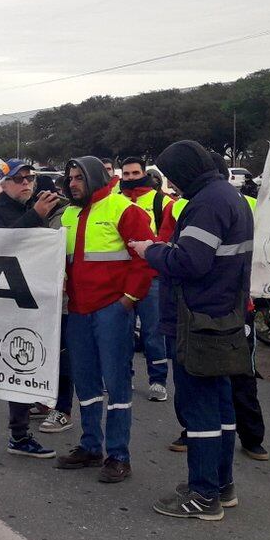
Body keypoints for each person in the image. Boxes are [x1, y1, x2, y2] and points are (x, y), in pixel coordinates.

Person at [129, 140, 254, 521]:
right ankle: (221, 484)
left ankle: (203, 496)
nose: (171, 184)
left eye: (171, 175)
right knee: (221, 406)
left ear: (183, 170)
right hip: (224, 316)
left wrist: (150, 250)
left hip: (197, 319)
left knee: (199, 410)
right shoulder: (227, 197)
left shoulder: (205, 204)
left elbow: (191, 261)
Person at [56, 156, 154, 483]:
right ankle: (90, 445)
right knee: (85, 383)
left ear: (95, 177)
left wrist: (128, 300)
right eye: (70, 178)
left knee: (116, 383)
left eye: (79, 178)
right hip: (78, 312)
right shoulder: (68, 214)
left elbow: (145, 259)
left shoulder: (124, 210)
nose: (72, 184)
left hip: (112, 310)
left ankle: (118, 455)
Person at [0, 160, 61, 466]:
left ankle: (19, 435)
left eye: (30, 178)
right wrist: (36, 216)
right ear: (4, 184)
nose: (26, 183)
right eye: (19, 179)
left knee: (22, 367)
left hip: (27, 300)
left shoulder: (33, 207)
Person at [120, 156, 172, 402]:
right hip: (123, 277)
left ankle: (158, 380)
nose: (130, 178)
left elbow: (168, 237)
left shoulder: (161, 200)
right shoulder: (117, 201)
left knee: (153, 331)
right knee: (124, 330)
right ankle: (125, 375)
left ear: (144, 173)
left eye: (134, 173)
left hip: (153, 277)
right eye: (126, 174)